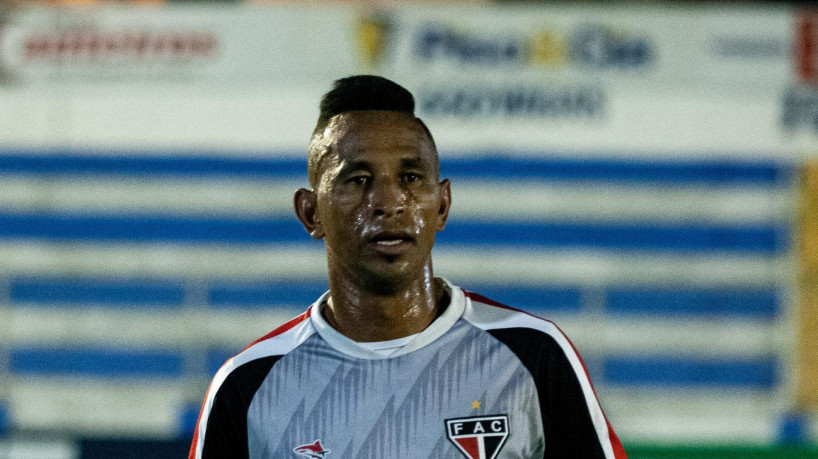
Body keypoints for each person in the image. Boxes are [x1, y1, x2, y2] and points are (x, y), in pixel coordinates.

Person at [188, 75, 627, 459]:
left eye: (412, 178)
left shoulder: (534, 354)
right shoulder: (247, 385)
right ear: (310, 213)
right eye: (357, 180)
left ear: (442, 205)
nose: (389, 203)